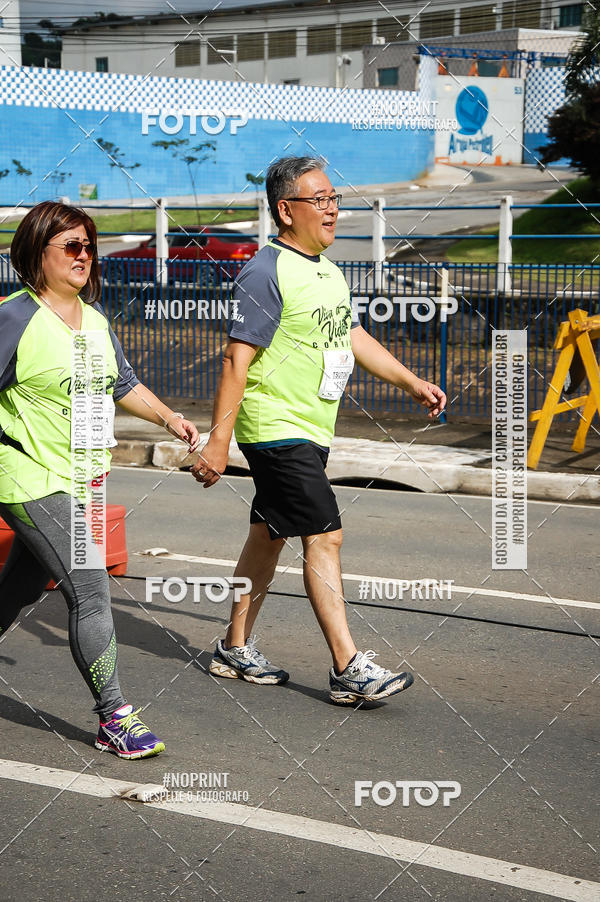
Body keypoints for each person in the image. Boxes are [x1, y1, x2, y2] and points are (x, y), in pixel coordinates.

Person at [191, 156, 446, 704]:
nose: (333, 209)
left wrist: (411, 381)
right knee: (324, 535)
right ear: (286, 210)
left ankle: (234, 648)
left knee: (268, 534)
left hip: (311, 426)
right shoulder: (265, 271)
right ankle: (348, 667)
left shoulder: (328, 271)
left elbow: (351, 336)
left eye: (334, 199)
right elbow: (237, 359)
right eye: (320, 199)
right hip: (275, 427)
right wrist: (218, 439)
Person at [0, 201, 199, 757]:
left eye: (90, 246)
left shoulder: (96, 321)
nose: (84, 256)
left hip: (81, 481)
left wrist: (171, 418)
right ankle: (115, 716)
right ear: (37, 253)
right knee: (90, 591)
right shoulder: (14, 317)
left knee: (17, 589)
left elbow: (123, 383)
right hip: (29, 476)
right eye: (72, 246)